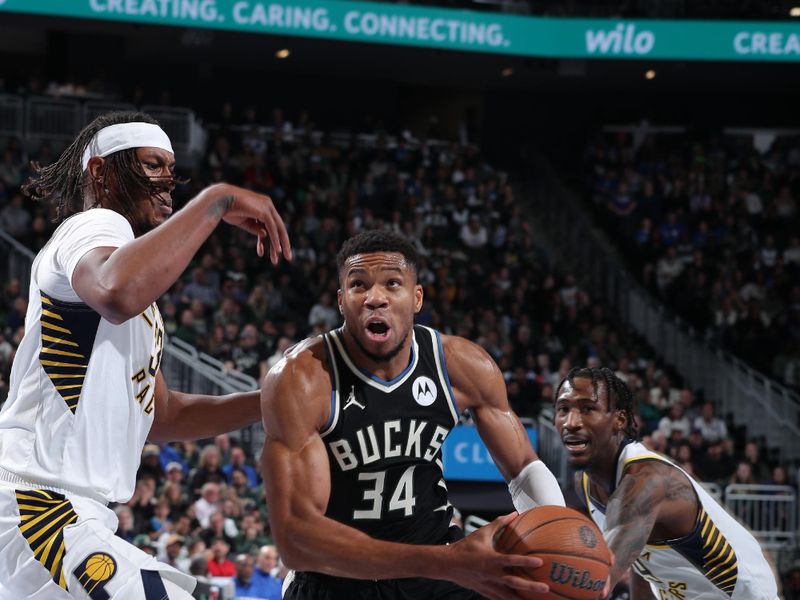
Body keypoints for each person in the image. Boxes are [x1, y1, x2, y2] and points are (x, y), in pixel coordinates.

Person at [0, 111, 291, 599]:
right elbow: (117, 291)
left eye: (171, 171)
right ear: (101, 173)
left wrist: (273, 400)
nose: (167, 184)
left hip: (73, 512)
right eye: (152, 166)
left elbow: (159, 414)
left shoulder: (135, 289)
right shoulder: (92, 226)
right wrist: (216, 201)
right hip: (40, 497)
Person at [260, 230, 566, 600]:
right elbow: (296, 540)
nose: (376, 298)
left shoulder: (462, 365)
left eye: (392, 284)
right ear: (342, 302)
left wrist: (558, 541)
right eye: (359, 286)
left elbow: (523, 468)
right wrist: (445, 562)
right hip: (337, 579)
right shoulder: (302, 378)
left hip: (436, 570)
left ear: (416, 297)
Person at [554, 367, 779, 599]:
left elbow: (599, 583)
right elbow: (640, 560)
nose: (571, 422)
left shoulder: (647, 482)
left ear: (619, 419)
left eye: (588, 409)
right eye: (563, 409)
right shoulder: (586, 483)